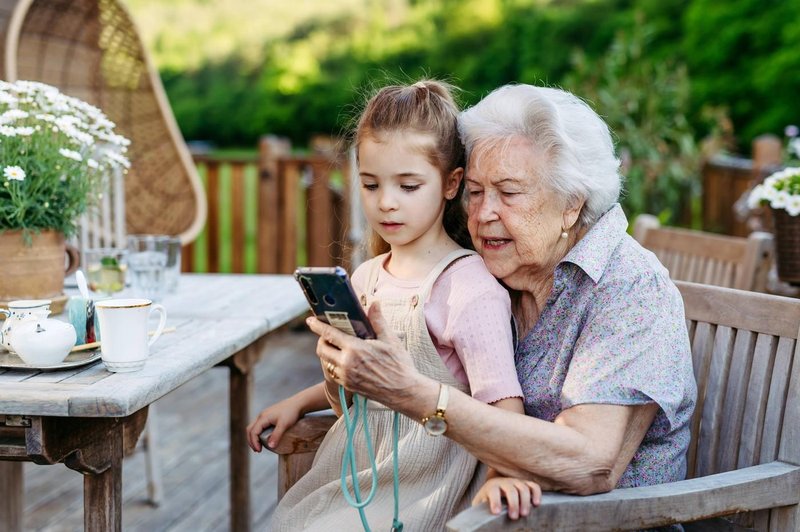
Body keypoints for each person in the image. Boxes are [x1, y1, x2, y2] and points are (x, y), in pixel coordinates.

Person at [304, 84, 697, 514]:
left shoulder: (628, 288)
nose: (483, 213)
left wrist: (416, 395)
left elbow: (591, 462)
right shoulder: (497, 274)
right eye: (475, 192)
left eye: (508, 193)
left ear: (571, 204)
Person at [249, 80, 531, 531]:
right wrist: (302, 403)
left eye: (408, 185)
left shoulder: (467, 287)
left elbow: (503, 409)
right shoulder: (367, 277)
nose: (386, 202)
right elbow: (363, 382)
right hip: (355, 471)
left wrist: (500, 476)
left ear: (451, 183)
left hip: (424, 484)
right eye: (370, 184)